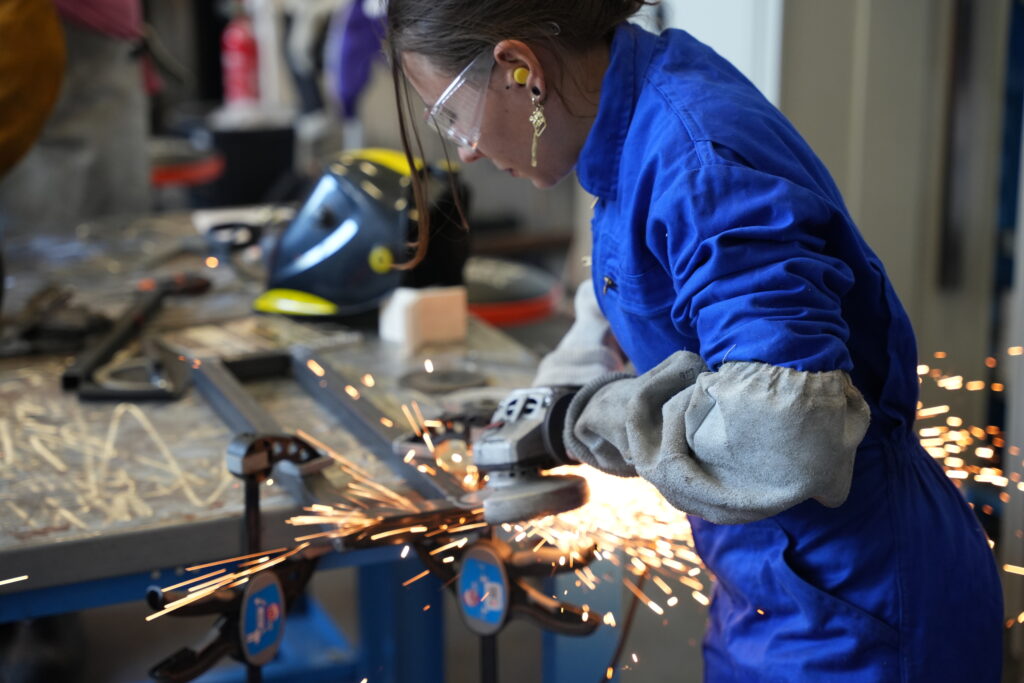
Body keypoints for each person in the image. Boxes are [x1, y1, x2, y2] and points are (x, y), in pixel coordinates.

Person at [385, 1, 1004, 681]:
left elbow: (786, 435)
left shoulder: (697, 154)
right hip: (776, 585)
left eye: (452, 113)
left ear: (520, 70)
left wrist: (586, 421)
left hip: (858, 607)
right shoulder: (636, 110)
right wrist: (555, 389)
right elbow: (643, 275)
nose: (466, 147)